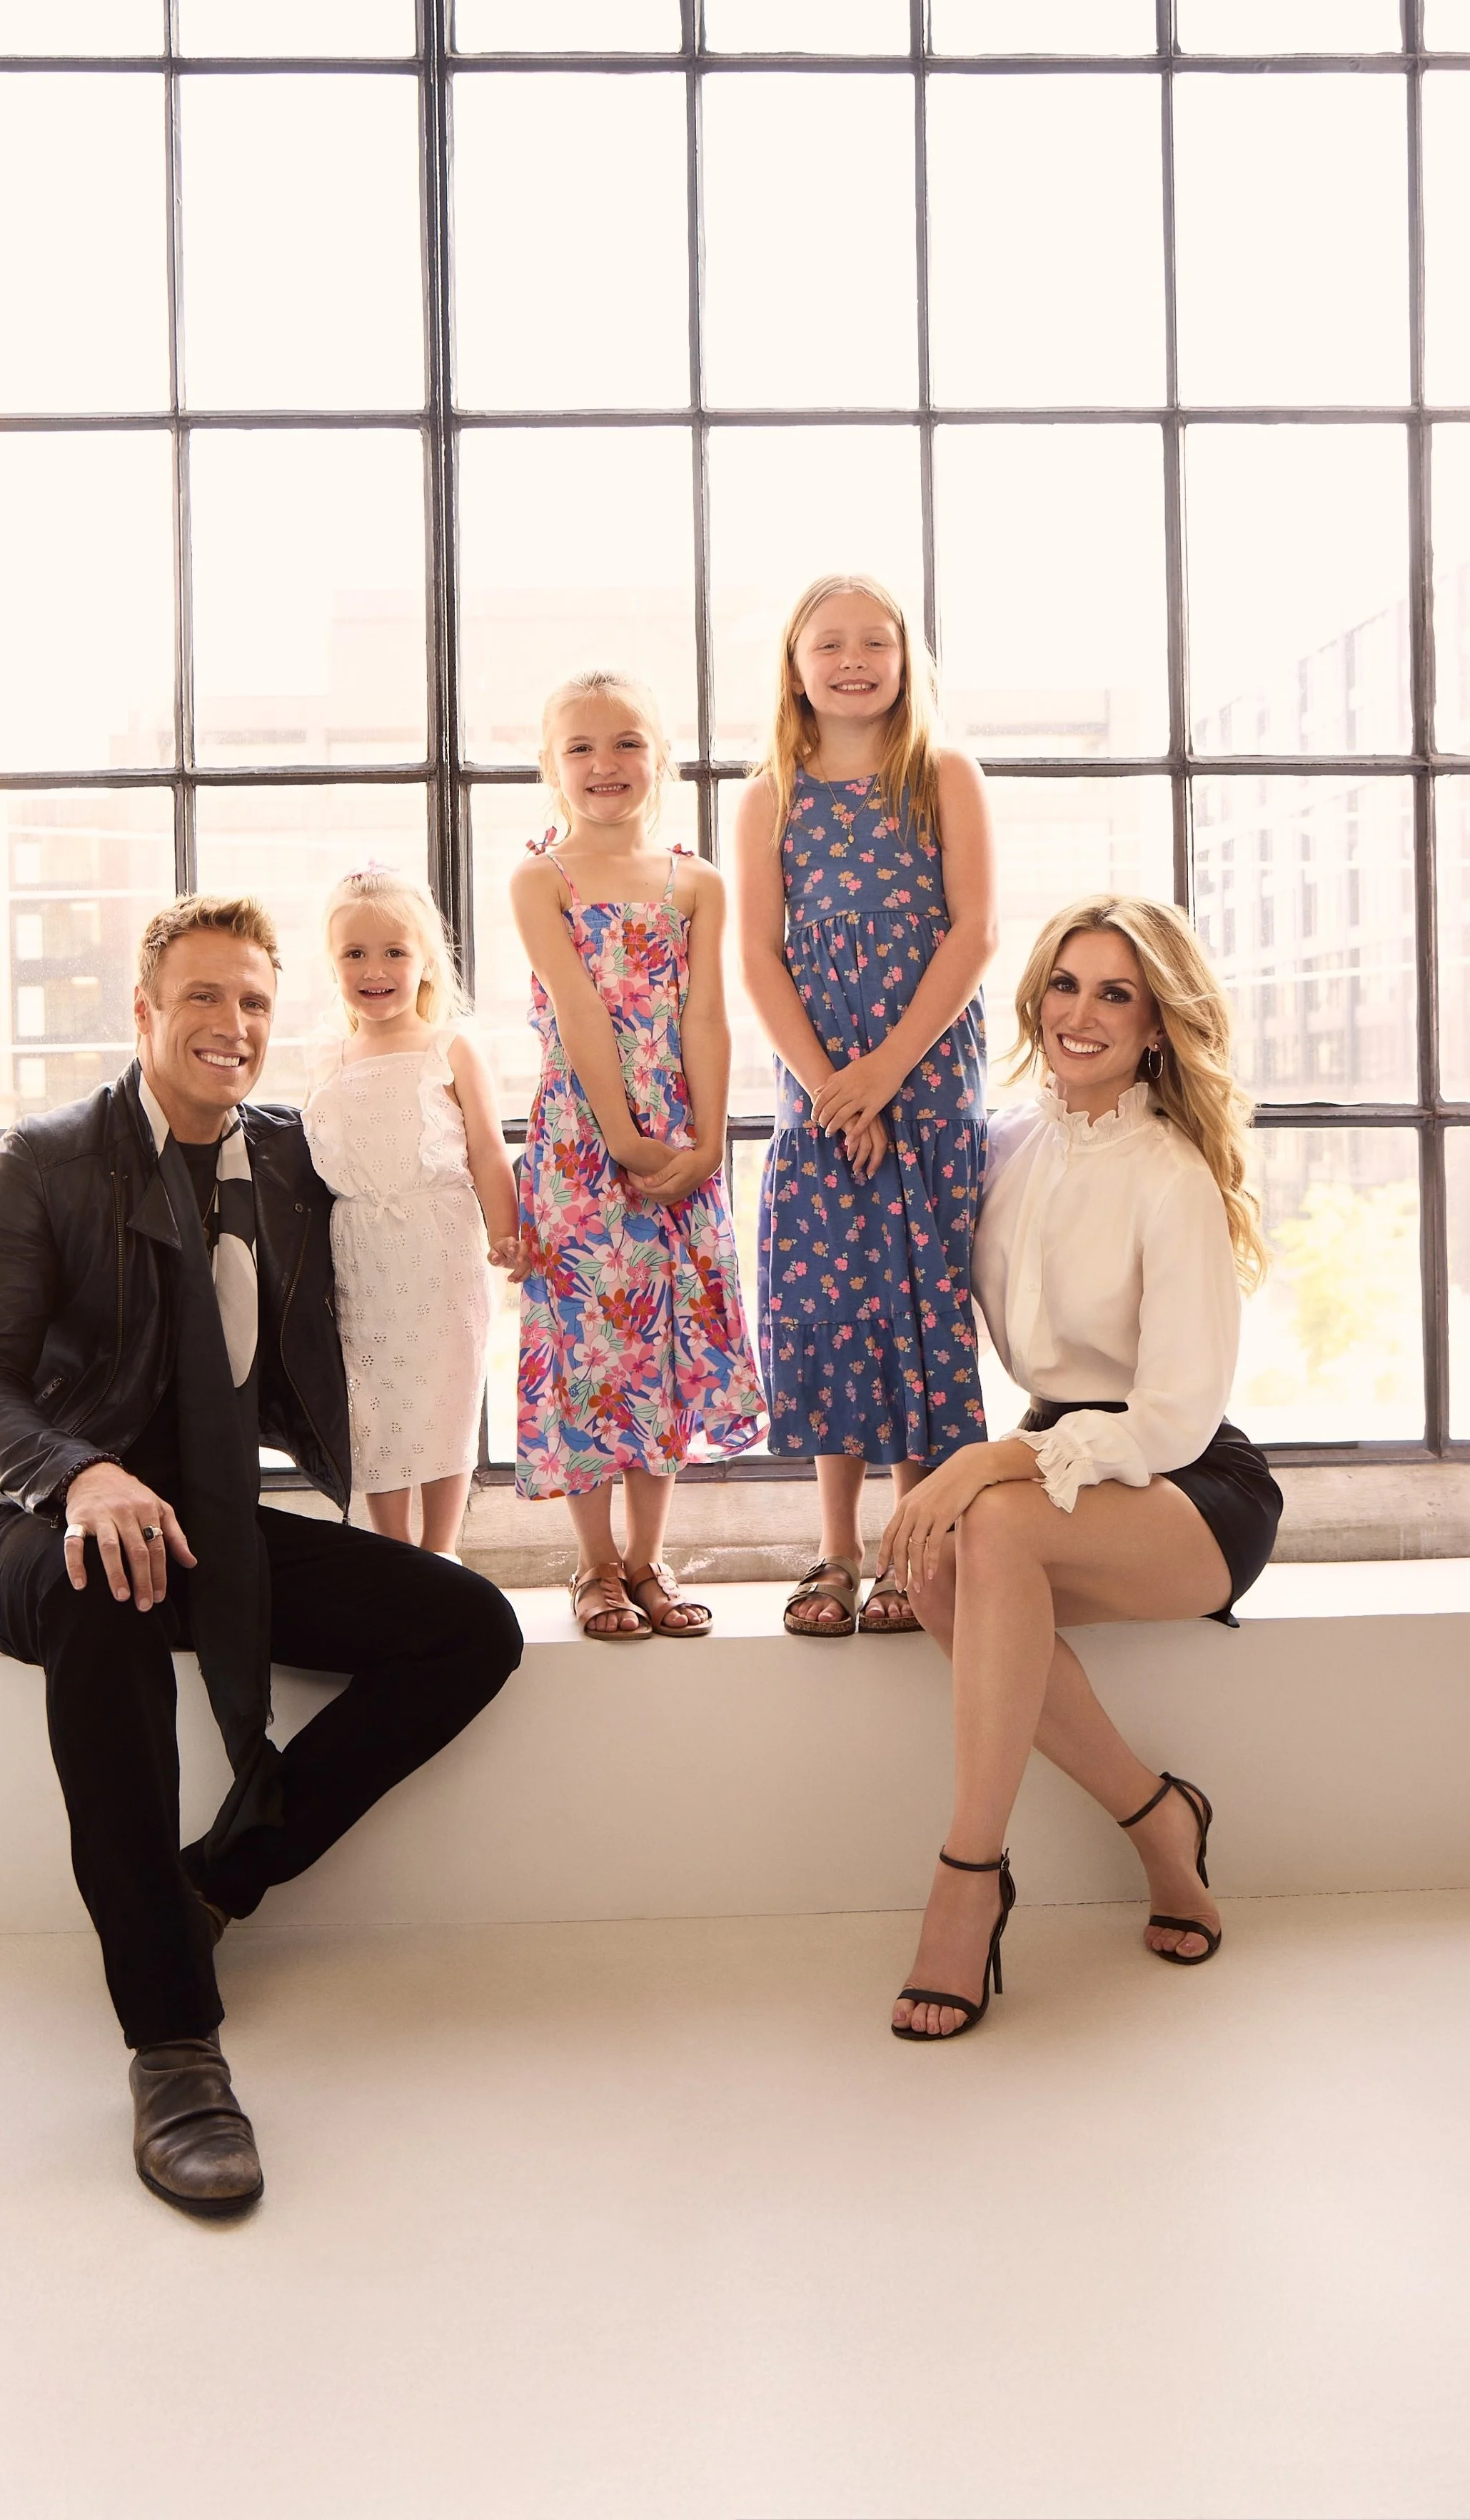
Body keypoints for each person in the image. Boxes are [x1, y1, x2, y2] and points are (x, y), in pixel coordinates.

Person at [0, 895, 522, 2212]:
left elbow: (406, 1230)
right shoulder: (42, 1160)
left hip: (203, 1518)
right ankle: (173, 2042)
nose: (233, 1024)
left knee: (468, 1629)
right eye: (203, 996)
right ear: (144, 1013)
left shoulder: (282, 1159)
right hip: (43, 1525)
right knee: (104, 1596)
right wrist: (81, 1475)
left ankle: (213, 1879)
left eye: (255, 1001)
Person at [877, 895, 1282, 2040]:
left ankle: (968, 1877)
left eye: (1116, 992)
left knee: (988, 1530)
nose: (1082, 1012)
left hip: (1190, 1484)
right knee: (950, 1569)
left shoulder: (1172, 1175)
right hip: (1050, 1471)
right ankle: (1159, 1819)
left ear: (1157, 1023)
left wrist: (991, 1463)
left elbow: (1175, 1415)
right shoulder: (1000, 1143)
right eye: (1066, 984)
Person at [732, 574, 997, 1636]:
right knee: (833, 1305)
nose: (852, 660)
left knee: (919, 1303)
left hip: (925, 1075)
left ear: (905, 656)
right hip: (819, 1081)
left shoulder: (941, 775)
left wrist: (887, 1072)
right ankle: (835, 1550)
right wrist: (833, 1089)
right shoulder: (771, 795)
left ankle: (912, 1549)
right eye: (828, 643)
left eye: (874, 641)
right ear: (795, 665)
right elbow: (757, 956)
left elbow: (972, 933)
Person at [510, 670, 767, 1639]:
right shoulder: (543, 880)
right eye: (580, 748)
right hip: (583, 1145)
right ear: (552, 767)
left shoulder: (695, 881)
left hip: (681, 1143)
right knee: (589, 1348)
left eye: (625, 743)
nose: (604, 764)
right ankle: (595, 1565)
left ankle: (651, 1560)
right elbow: (578, 1008)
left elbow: (706, 1014)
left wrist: (705, 1143)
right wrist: (621, 1134)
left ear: (658, 757)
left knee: (657, 1347)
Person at [303, 865, 519, 1558]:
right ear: (332, 962)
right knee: (375, 1403)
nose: (376, 968)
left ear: (425, 958)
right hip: (361, 1252)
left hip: (443, 1245)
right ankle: (394, 1552)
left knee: (446, 1395)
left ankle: (443, 1548)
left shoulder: (449, 1045)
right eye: (355, 953)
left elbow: (488, 1148)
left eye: (394, 951)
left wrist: (506, 1229)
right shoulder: (325, 1055)